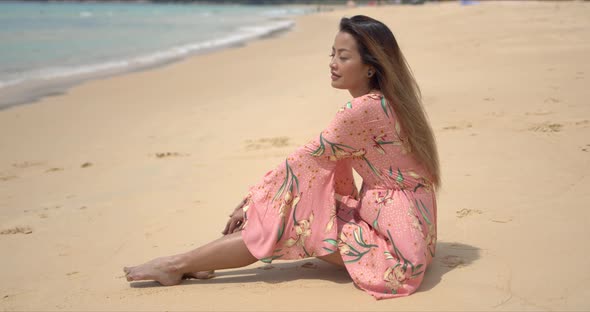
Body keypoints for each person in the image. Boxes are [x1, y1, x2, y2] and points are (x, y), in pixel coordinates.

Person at [124, 15, 440, 300]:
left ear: (371, 66)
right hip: (413, 233)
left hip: (397, 252)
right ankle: (196, 262)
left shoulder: (360, 109)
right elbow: (323, 159)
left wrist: (252, 199)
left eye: (343, 57)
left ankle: (176, 264)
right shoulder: (390, 101)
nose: (332, 63)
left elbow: (305, 159)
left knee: (288, 218)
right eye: (332, 54)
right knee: (292, 203)